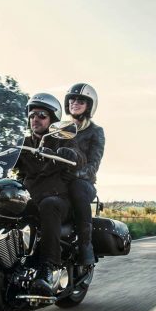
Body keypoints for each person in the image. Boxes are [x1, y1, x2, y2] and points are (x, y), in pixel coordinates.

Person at [15, 92, 83, 295]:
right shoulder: (22, 142)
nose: (35, 119)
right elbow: (3, 158)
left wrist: (69, 154)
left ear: (52, 120)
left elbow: (79, 157)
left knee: (48, 204)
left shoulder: (63, 140)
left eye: (41, 115)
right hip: (29, 198)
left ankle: (48, 269)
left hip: (57, 200)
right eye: (32, 115)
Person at [63, 83, 105, 266]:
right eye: (72, 99)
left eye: (81, 100)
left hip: (84, 184)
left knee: (77, 187)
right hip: (60, 180)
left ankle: (85, 244)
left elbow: (94, 164)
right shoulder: (59, 128)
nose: (75, 102)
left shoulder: (95, 132)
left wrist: (76, 174)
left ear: (89, 106)